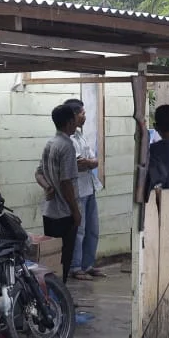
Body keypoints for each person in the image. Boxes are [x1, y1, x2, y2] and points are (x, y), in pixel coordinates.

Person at [39, 104, 83, 281]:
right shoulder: (67, 146)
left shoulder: (50, 143)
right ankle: (60, 295)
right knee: (64, 258)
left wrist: (47, 187)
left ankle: (51, 294)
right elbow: (66, 182)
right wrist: (76, 211)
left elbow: (39, 172)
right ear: (70, 121)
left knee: (51, 258)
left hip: (49, 211)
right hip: (64, 213)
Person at [63, 98, 105, 280]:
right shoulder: (68, 140)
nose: (84, 116)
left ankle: (88, 264)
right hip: (77, 190)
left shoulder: (80, 135)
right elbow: (81, 164)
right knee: (79, 230)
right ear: (73, 115)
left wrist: (91, 162)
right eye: (82, 113)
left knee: (92, 229)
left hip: (89, 188)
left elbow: (93, 161)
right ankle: (75, 266)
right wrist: (91, 162)